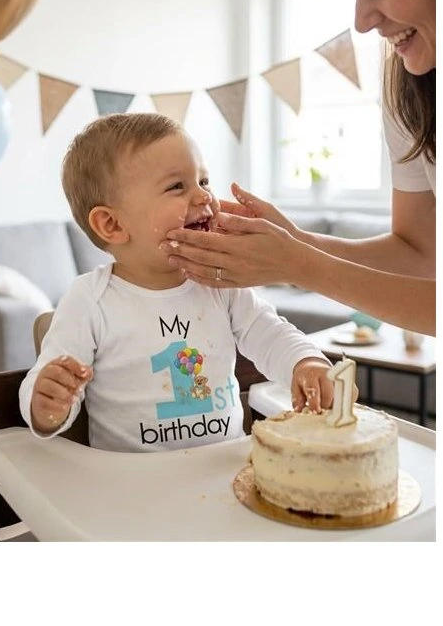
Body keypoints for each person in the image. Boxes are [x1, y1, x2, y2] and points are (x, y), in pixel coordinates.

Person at [160, 0, 436, 336]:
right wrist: (295, 242)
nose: (361, 21)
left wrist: (298, 264)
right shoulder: (410, 86)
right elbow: (421, 255)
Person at [18, 113, 335, 452]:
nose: (203, 197)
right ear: (112, 225)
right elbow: (47, 377)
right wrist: (47, 403)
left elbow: (270, 333)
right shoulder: (89, 300)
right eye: (177, 187)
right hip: (134, 479)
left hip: (223, 468)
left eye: (204, 181)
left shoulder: (220, 281)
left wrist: (304, 361)